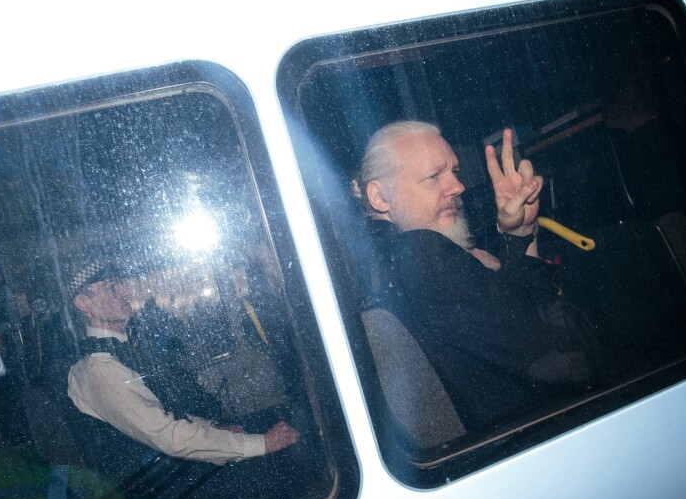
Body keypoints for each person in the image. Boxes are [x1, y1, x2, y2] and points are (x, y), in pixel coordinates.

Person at [353, 121, 605, 432]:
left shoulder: (381, 263)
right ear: (380, 197)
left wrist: (518, 233)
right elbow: (574, 349)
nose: (457, 187)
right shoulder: (421, 255)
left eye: (454, 172)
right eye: (433, 177)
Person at [65, 259, 300, 475]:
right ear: (83, 303)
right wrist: (263, 443)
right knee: (290, 456)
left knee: (274, 419)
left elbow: (164, 413)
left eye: (122, 284)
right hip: (164, 483)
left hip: (173, 466)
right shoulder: (98, 369)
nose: (125, 292)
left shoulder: (119, 352)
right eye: (112, 287)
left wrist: (214, 427)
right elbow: (169, 436)